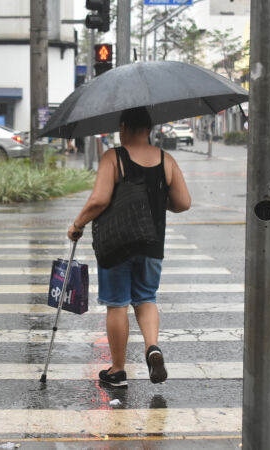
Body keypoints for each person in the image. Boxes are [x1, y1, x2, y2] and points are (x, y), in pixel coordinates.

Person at [67, 107, 191, 388]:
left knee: (117, 304)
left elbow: (99, 200)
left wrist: (77, 224)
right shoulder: (165, 159)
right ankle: (152, 348)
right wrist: (157, 202)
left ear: (123, 127)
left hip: (117, 244)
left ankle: (118, 370)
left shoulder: (114, 157)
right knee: (146, 298)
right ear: (149, 129)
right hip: (151, 242)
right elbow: (183, 202)